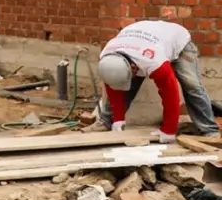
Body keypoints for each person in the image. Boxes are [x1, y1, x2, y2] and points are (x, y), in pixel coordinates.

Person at [84, 20, 220, 142]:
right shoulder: (108, 58)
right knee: (122, 84)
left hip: (178, 42)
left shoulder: (153, 61)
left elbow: (170, 93)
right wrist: (118, 119)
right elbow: (113, 86)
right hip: (141, 40)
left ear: (133, 68)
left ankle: (209, 130)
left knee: (192, 85)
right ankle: (107, 122)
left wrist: (168, 130)